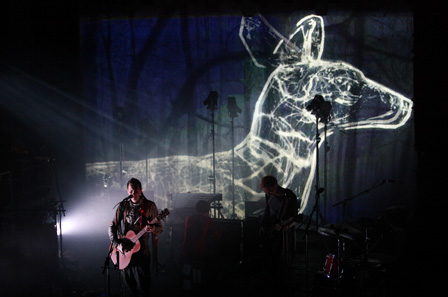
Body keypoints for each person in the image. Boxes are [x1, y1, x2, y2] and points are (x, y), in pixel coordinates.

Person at [108, 178, 163, 297]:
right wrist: (117, 244)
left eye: (136, 190)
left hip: (142, 253)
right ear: (127, 191)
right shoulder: (123, 205)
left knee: (143, 287)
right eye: (130, 190)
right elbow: (112, 225)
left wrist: (152, 229)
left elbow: (160, 228)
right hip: (126, 252)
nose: (133, 193)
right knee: (129, 288)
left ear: (141, 190)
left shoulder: (150, 206)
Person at [259, 175, 301, 278]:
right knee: (269, 254)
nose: (268, 194)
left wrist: (285, 227)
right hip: (272, 230)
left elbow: (294, 218)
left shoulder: (289, 196)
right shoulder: (269, 195)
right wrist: (263, 225)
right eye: (266, 192)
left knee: (281, 258)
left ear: (275, 186)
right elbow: (267, 210)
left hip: (285, 233)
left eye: (269, 191)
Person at [181, 200, 220, 291]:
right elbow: (217, 235)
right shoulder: (208, 221)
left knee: (187, 274)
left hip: (187, 251)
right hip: (199, 252)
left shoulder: (188, 219)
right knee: (198, 274)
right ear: (207, 210)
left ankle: (186, 289)